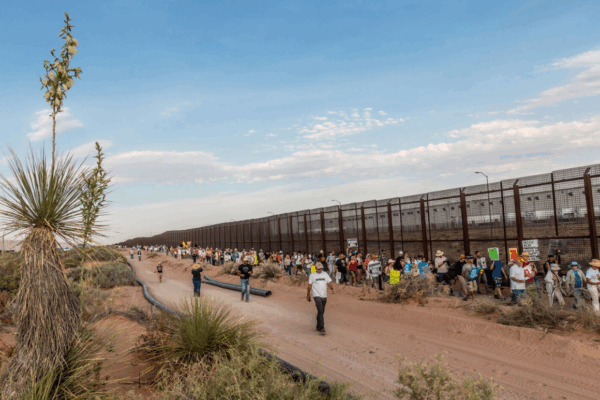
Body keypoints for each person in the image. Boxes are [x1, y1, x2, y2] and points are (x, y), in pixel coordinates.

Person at [306, 262, 334, 334]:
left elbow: (329, 282)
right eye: (318, 269)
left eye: (321, 269)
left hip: (324, 295)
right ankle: (322, 328)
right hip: (316, 295)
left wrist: (331, 288)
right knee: (320, 309)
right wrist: (308, 294)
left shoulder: (325, 274)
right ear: (315, 268)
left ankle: (318, 325)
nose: (320, 270)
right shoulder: (312, 275)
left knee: (322, 311)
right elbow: (309, 286)